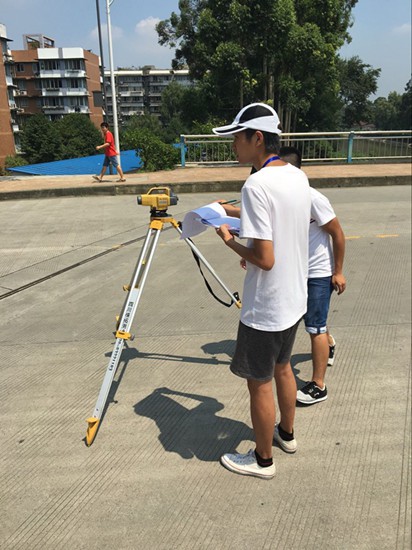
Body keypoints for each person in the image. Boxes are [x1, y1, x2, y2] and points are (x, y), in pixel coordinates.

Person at [212, 103, 311, 479]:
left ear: (257, 138)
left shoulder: (255, 185)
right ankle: (287, 434)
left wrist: (230, 242)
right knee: (283, 368)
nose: (233, 145)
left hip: (266, 305)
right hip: (293, 298)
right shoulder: (297, 176)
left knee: (259, 384)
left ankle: (262, 459)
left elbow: (265, 259)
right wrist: (243, 231)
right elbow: (281, 230)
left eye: (237, 138)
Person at [279, 146, 346, 405]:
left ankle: (319, 385)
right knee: (312, 319)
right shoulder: (282, 198)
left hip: (318, 273)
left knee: (314, 327)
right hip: (294, 271)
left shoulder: (313, 198)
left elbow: (337, 234)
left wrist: (337, 272)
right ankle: (329, 343)